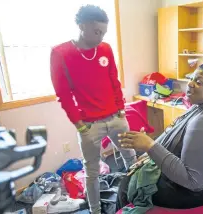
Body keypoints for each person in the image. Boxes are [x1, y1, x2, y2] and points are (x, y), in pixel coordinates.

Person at [116, 63, 203, 210]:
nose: (190, 83)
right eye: (191, 78)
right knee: (135, 170)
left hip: (196, 190)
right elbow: (171, 131)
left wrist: (150, 146)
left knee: (127, 183)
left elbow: (193, 181)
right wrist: (147, 152)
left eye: (198, 82)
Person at [50, 5, 137, 214]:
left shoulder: (105, 49)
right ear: (82, 26)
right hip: (89, 125)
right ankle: (95, 210)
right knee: (92, 172)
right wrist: (79, 125)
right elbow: (63, 94)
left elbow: (114, 81)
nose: (100, 37)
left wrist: (121, 111)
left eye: (103, 33)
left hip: (116, 117)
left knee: (131, 157)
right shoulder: (60, 53)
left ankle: (134, 197)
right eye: (96, 32)